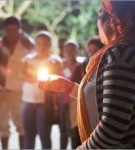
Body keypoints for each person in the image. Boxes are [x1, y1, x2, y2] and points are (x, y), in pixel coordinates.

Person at [39, 0, 135, 148]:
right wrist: (69, 87)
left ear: (113, 22)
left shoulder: (120, 56)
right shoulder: (121, 52)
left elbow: (112, 128)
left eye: (100, 14)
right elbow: (107, 101)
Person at [0, 16, 34, 149]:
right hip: (1, 88)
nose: (11, 33)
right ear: (4, 30)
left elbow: (35, 55)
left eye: (14, 30)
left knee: (21, 123)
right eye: (8, 30)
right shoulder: (0, 43)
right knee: (1, 122)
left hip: (19, 90)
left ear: (19, 29)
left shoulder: (26, 44)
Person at [20, 31, 61, 149]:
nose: (42, 47)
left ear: (49, 46)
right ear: (35, 44)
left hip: (44, 103)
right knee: (29, 136)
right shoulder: (27, 59)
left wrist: (32, 75)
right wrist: (36, 76)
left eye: (45, 44)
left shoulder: (54, 61)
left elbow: (55, 78)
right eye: (39, 44)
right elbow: (20, 75)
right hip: (27, 101)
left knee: (44, 135)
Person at [69, 36, 104, 148]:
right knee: (77, 137)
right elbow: (72, 85)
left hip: (97, 112)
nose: (92, 54)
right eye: (89, 51)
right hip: (79, 107)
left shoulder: (106, 67)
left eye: (95, 50)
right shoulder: (82, 65)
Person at [59, 39, 80, 149]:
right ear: (63, 51)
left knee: (75, 133)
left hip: (76, 104)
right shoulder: (60, 65)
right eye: (67, 49)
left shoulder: (81, 66)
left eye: (72, 49)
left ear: (77, 51)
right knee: (63, 131)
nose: (70, 51)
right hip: (63, 103)